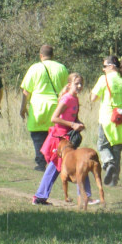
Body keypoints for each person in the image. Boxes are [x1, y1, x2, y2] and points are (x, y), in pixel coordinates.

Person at [32, 71, 92, 206]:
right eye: (77, 84)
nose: (80, 86)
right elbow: (54, 118)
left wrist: (78, 122)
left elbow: (71, 117)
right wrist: (72, 124)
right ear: (70, 84)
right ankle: (40, 197)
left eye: (81, 84)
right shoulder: (67, 99)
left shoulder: (75, 98)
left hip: (68, 137)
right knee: (58, 166)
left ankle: (41, 197)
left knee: (75, 164)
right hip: (60, 138)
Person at [17, 45, 68, 171]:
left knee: (38, 135)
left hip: (38, 106)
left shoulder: (34, 68)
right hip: (56, 106)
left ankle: (40, 163)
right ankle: (54, 161)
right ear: (53, 55)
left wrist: (23, 108)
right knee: (54, 135)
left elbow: (26, 91)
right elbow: (66, 90)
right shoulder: (61, 68)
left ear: (41, 56)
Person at [91, 56, 122, 186]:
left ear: (111, 66)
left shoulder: (104, 79)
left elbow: (93, 98)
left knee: (103, 146)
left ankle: (108, 162)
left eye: (105, 66)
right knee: (117, 149)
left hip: (106, 119)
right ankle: (114, 180)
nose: (103, 69)